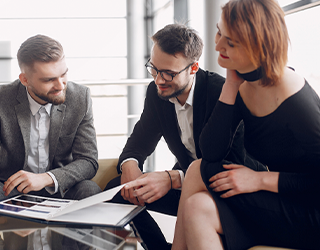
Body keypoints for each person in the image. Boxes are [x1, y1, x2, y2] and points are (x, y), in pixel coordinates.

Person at [172, 0, 320, 249]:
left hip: (310, 215)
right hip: (282, 199)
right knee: (197, 202)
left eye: (230, 42)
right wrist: (230, 86)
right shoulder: (245, 83)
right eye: (220, 32)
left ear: (257, 48)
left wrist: (260, 180)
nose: (218, 45)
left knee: (198, 172)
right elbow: (211, 152)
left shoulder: (294, 100)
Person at [106, 23, 264, 250]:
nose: (159, 80)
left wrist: (173, 178)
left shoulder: (221, 94)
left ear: (193, 68)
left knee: (193, 201)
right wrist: (130, 165)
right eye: (154, 68)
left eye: (169, 73)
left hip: (226, 191)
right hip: (188, 183)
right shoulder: (157, 93)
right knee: (120, 191)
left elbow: (232, 165)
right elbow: (138, 143)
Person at [0, 34, 101, 214]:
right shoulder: (0, 99)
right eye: (49, 79)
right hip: (11, 190)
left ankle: (72, 242)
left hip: (60, 187)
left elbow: (88, 160)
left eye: (64, 74)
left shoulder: (80, 98)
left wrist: (46, 178)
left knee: (91, 192)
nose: (60, 85)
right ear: (25, 80)